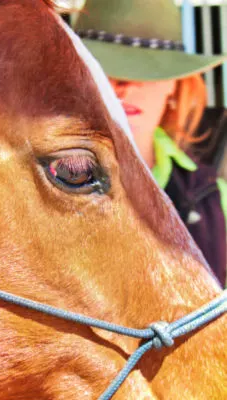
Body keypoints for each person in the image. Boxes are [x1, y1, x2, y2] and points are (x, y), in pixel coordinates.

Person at [73, 0, 227, 287]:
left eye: (148, 71)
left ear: (175, 85)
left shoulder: (216, 197)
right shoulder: (26, 180)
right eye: (106, 69)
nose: (126, 85)